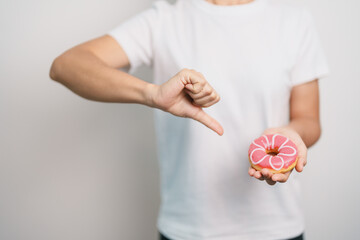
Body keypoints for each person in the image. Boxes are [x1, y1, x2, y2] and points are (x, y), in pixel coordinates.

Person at [49, 0, 329, 239]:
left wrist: (291, 135)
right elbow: (66, 66)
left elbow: (308, 120)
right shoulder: (165, 21)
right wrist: (152, 93)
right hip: (188, 229)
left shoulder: (293, 23)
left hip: (276, 228)